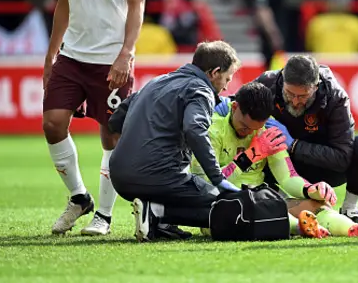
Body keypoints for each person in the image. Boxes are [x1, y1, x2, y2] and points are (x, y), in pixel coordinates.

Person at [42, 0, 149, 236]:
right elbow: (63, 4)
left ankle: (104, 215)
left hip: (111, 60)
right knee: (53, 123)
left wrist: (126, 53)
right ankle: (79, 197)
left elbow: (137, 7)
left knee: (111, 137)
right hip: (72, 56)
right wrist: (51, 54)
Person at [202, 82, 358, 239]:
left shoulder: (267, 130)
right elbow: (204, 183)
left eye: (256, 128)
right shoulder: (212, 130)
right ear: (234, 107)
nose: (250, 132)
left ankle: (355, 229)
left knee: (317, 204)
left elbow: (288, 177)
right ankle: (301, 227)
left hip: (263, 201)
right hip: (220, 209)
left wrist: (311, 189)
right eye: (245, 127)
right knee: (265, 208)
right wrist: (248, 157)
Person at [108, 41, 258, 242]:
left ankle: (160, 221)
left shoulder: (156, 81)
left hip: (119, 175)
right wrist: (217, 178)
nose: (226, 87)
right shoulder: (200, 90)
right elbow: (194, 129)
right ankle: (157, 213)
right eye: (227, 78)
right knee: (229, 206)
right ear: (214, 72)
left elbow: (115, 120)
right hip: (158, 176)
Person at [217, 55, 358, 223]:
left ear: (315, 87)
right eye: (289, 93)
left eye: (302, 96)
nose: (294, 101)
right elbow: (241, 101)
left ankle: (350, 209)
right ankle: (280, 201)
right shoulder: (269, 82)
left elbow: (342, 159)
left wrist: (294, 145)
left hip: (324, 168)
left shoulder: (336, 98)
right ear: (283, 80)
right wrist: (224, 103)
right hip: (280, 165)